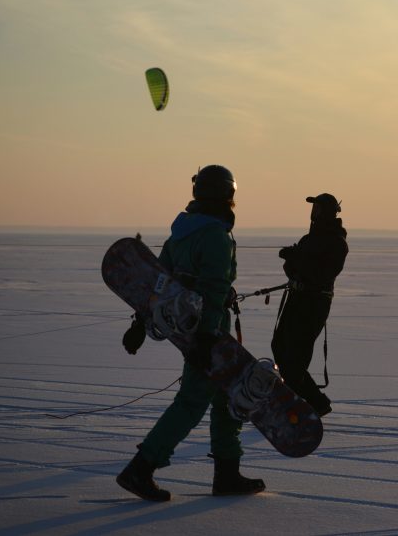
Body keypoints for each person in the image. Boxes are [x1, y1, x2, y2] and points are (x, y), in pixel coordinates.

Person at [116, 165, 265, 501]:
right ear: (227, 194)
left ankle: (227, 472)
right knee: (192, 402)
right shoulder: (215, 235)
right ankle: (141, 468)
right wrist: (207, 337)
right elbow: (212, 289)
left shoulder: (180, 233)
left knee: (227, 394)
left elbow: (157, 283)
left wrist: (139, 324)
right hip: (207, 333)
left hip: (190, 330)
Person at [271, 193, 348, 417]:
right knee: (279, 347)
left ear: (328, 212)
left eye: (318, 209)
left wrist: (296, 259)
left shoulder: (337, 243)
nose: (313, 213)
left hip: (314, 304)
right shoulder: (308, 239)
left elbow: (320, 274)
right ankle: (298, 399)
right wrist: (291, 259)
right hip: (296, 299)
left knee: (296, 359)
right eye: (313, 209)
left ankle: (316, 403)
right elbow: (294, 271)